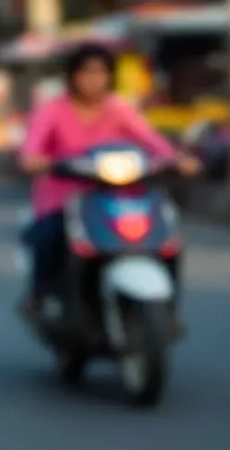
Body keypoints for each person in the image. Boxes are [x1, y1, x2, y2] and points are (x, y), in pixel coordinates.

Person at [17, 42, 194, 315]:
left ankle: (168, 307)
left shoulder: (118, 108)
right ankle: (40, 295)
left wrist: (178, 159)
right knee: (48, 236)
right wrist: (38, 161)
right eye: (86, 72)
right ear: (71, 76)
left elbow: (151, 140)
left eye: (100, 72)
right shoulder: (52, 110)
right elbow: (31, 151)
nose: (93, 79)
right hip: (65, 198)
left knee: (166, 235)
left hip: (117, 195)